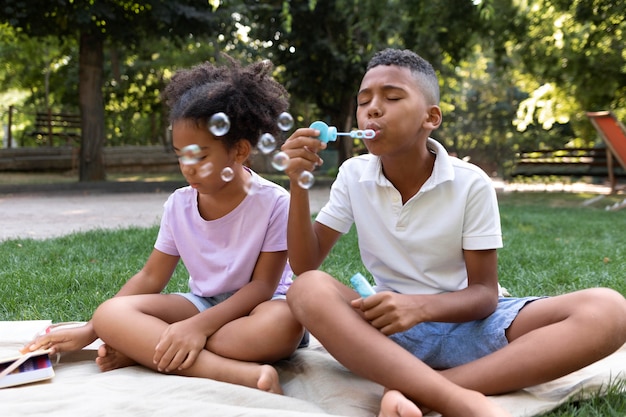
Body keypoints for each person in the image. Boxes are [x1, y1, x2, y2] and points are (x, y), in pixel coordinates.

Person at [281, 48, 626, 417]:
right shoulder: (353, 175)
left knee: (609, 309)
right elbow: (305, 263)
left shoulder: (469, 183)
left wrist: (420, 307)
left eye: (392, 97)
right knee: (307, 289)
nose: (373, 109)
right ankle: (455, 398)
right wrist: (298, 186)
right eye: (364, 101)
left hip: (469, 325)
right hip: (387, 333)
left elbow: (484, 295)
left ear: (431, 117)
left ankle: (423, 393)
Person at [23, 56, 306, 394]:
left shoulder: (273, 202)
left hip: (263, 308)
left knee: (281, 326)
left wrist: (194, 329)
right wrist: (90, 330)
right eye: (179, 154)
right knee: (111, 314)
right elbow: (151, 277)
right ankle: (234, 373)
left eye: (200, 156)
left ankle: (149, 349)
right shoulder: (179, 204)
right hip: (204, 302)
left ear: (240, 151)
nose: (187, 167)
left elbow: (261, 287)